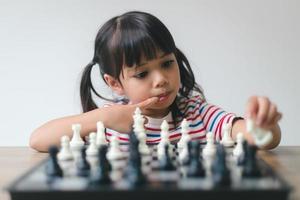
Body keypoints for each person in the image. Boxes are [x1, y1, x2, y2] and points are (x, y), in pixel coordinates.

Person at [29, 11, 282, 152]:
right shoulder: (108, 122)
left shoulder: (196, 112)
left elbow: (260, 139)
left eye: (167, 63)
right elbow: (38, 140)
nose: (161, 80)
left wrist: (264, 126)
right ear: (115, 83)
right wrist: (104, 119)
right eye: (142, 73)